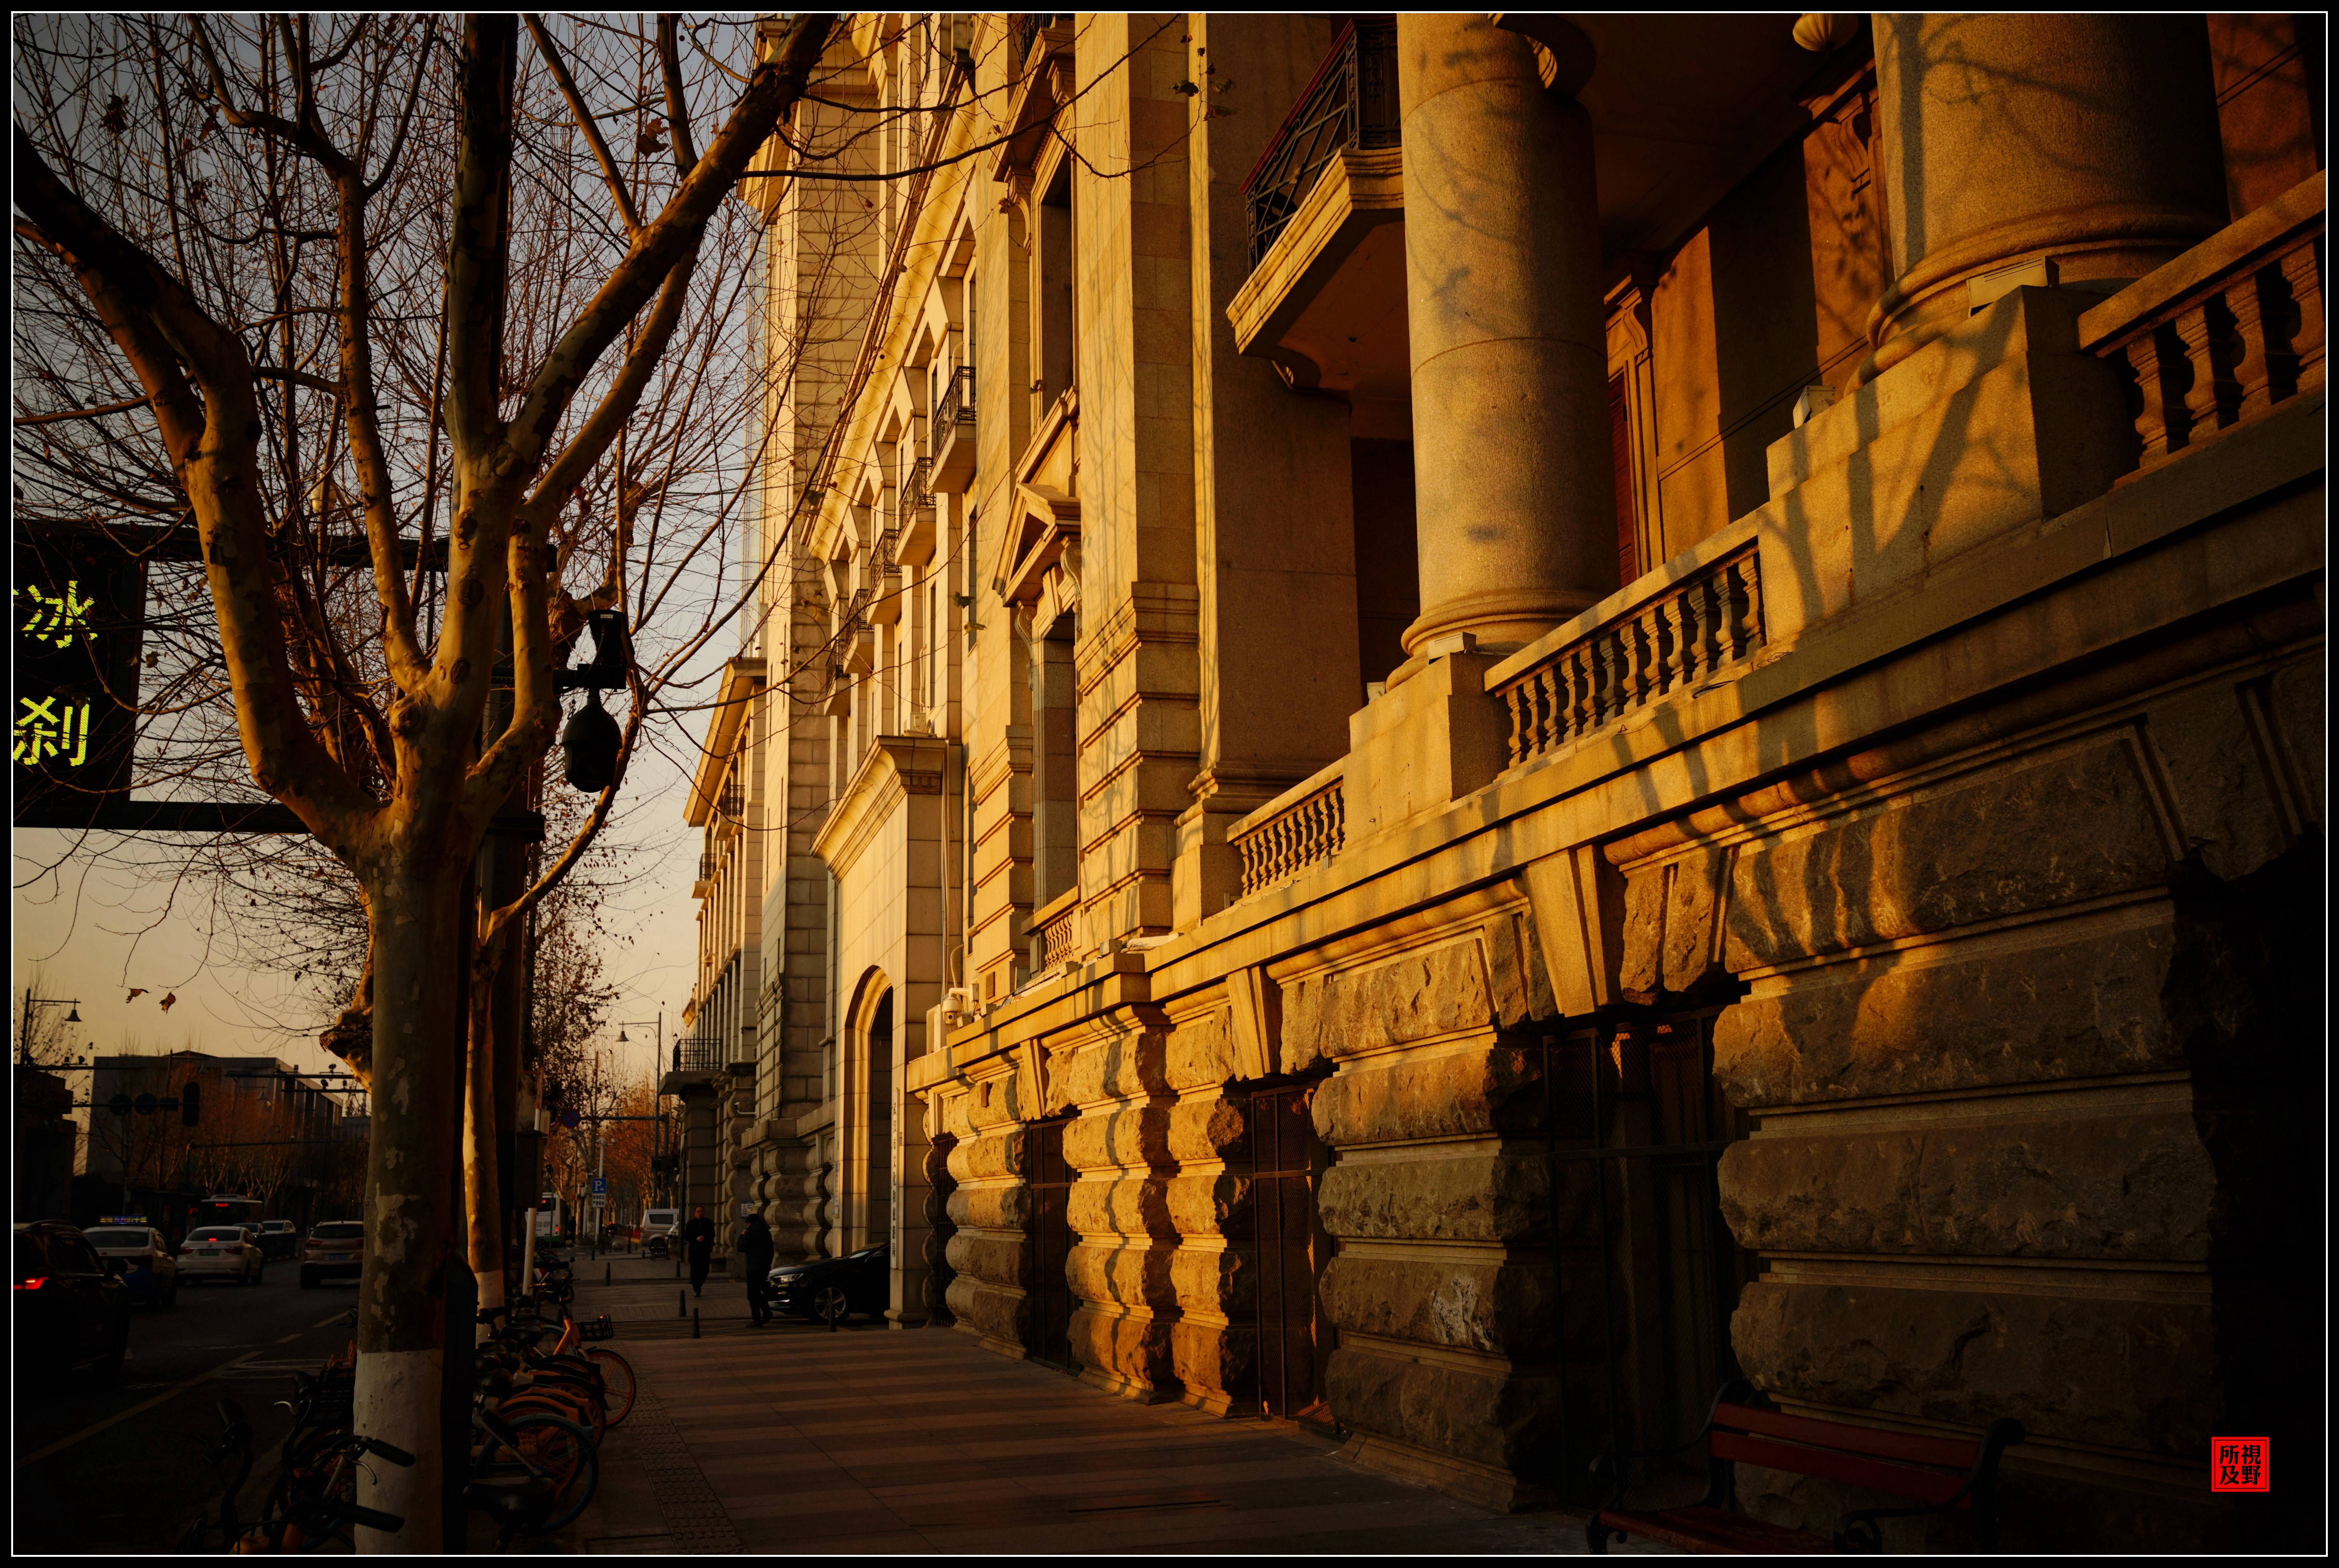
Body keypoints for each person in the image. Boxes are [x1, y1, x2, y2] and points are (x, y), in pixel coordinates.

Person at [739, 1212, 775, 1326]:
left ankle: (758, 1318)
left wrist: (742, 1236)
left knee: (752, 1295)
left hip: (753, 1268)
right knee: (757, 1292)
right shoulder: (766, 1233)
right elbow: (771, 1251)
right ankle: (766, 1312)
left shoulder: (750, 1233)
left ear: (749, 1223)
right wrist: (768, 1264)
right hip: (764, 1268)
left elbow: (741, 1247)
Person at [683, 1205, 715, 1297]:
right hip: (694, 1250)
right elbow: (687, 1237)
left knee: (705, 1269)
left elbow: (713, 1234)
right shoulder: (691, 1224)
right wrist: (696, 1239)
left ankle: (699, 1284)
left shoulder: (708, 1223)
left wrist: (705, 1238)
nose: (700, 1213)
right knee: (695, 1269)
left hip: (705, 1249)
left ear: (704, 1212)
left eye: (701, 1211)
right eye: (698, 1211)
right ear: (695, 1213)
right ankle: (697, 1289)